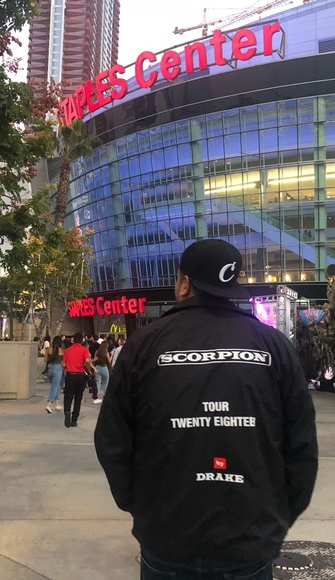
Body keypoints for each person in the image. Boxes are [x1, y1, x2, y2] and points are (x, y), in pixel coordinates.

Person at [95, 239, 318, 580]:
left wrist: (142, 506)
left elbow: (112, 439)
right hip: (248, 539)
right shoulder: (273, 345)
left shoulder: (144, 345)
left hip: (167, 539)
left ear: (184, 283)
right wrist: (275, 516)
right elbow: (301, 444)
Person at [62, 332, 94, 428]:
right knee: (78, 398)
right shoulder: (84, 350)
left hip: (70, 375)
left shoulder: (67, 350)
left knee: (68, 396)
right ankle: (74, 420)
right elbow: (87, 361)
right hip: (80, 376)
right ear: (82, 340)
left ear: (73, 339)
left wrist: (67, 367)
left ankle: (67, 411)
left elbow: (63, 364)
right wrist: (88, 370)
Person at [44, 336, 65, 414]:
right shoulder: (62, 350)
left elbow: (45, 359)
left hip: (50, 368)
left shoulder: (49, 349)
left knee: (56, 386)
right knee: (55, 387)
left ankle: (57, 403)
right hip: (58, 369)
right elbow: (63, 363)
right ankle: (49, 404)